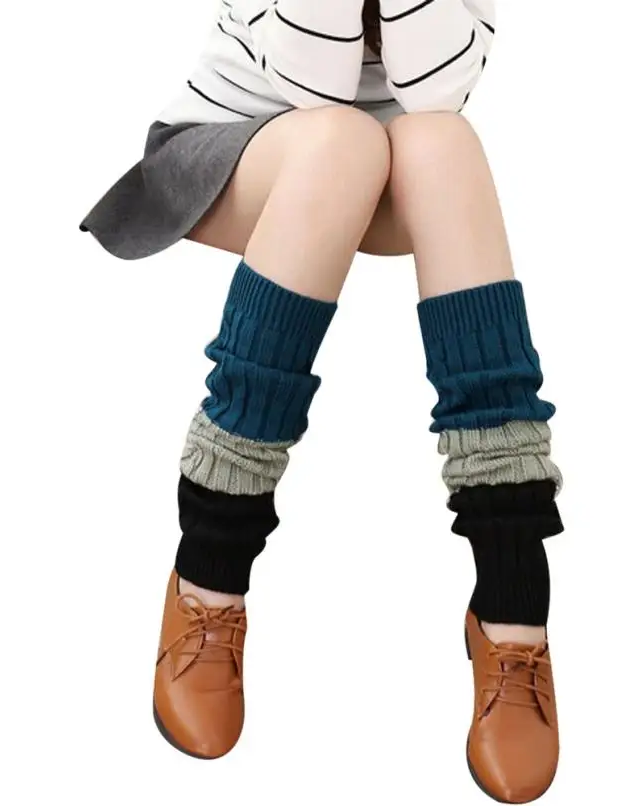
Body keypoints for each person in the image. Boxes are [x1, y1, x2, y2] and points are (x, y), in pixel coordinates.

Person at [80, 1, 563, 802]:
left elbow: (440, 94)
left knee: (443, 143)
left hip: (390, 166)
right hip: (236, 154)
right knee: (341, 140)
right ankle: (210, 569)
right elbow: (317, 91)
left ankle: (513, 604)